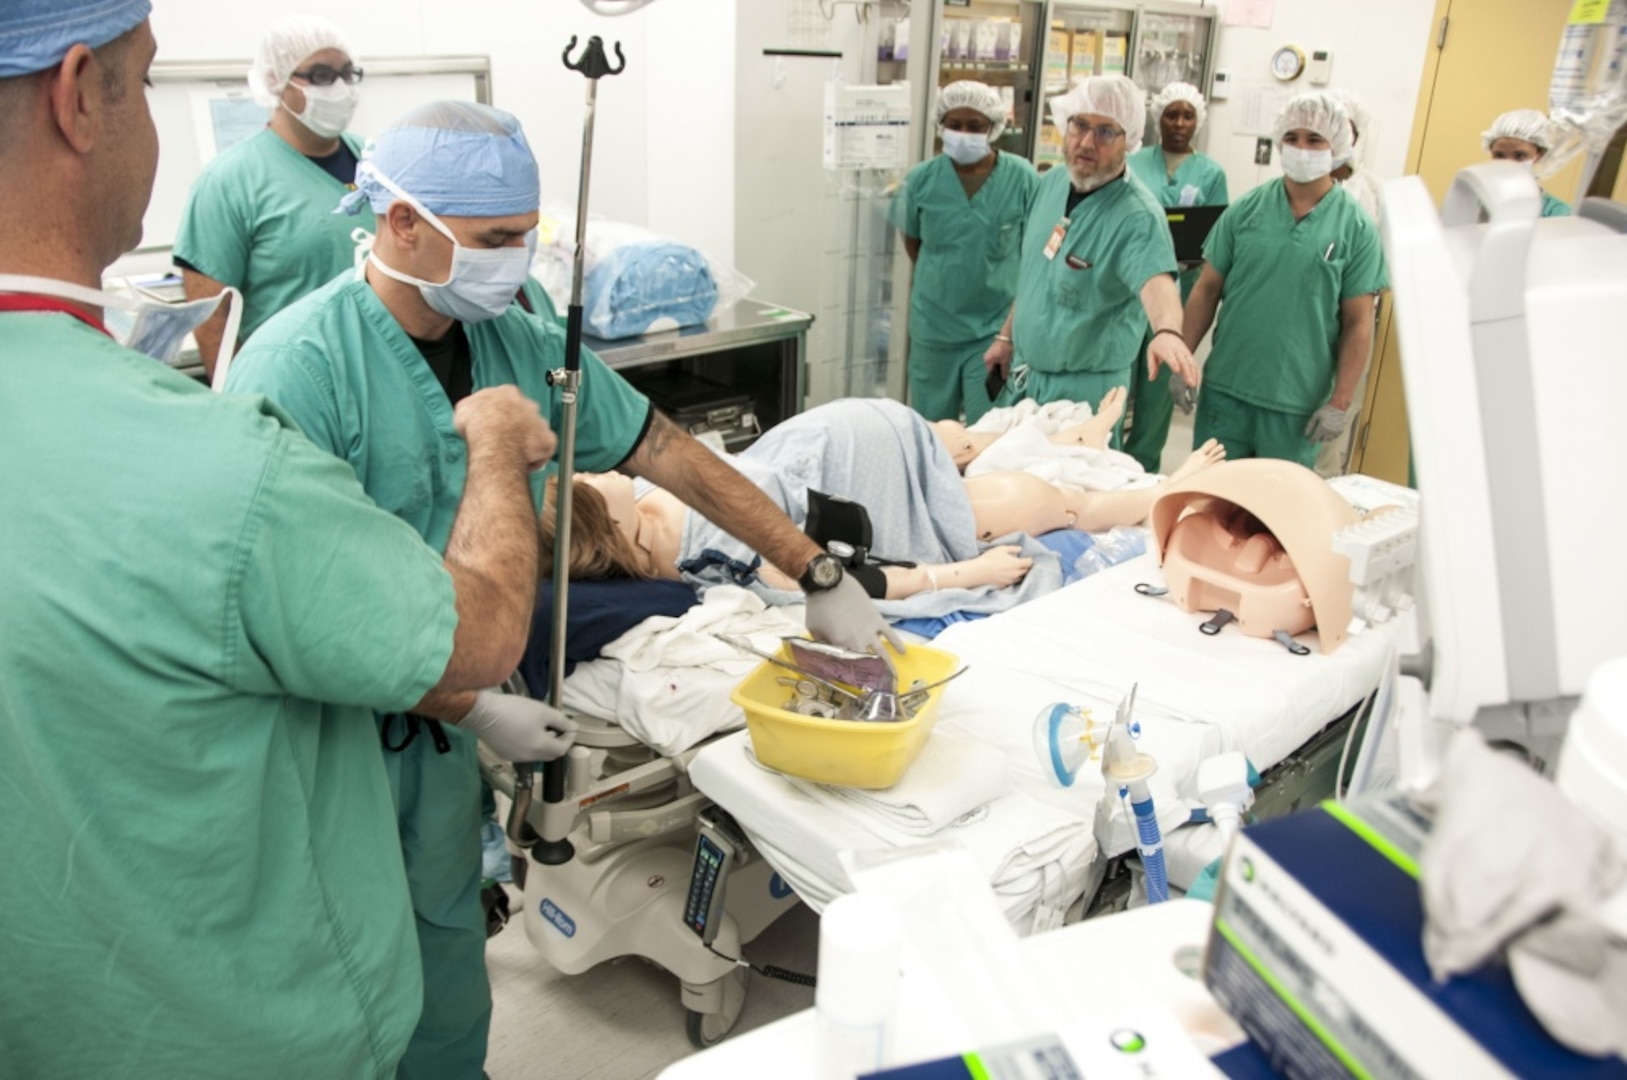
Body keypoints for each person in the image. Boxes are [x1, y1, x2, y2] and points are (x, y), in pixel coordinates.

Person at [225, 101, 894, 1080]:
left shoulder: (511, 332)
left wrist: (813, 569)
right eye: (494, 242)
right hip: (336, 750)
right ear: (401, 222)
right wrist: (471, 701)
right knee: (351, 990)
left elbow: (662, 448)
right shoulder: (295, 373)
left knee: (450, 969)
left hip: (437, 747)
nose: (514, 262)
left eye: (526, 240)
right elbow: (291, 619)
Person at [0, 5, 574, 1076]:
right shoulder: (228, 464)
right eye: (148, 78)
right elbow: (478, 633)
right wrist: (496, 448)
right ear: (81, 94)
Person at [546, 397, 1224, 598]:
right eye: (582, 482)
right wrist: (965, 574)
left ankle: (1070, 434)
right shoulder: (716, 557)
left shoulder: (643, 487)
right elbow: (842, 580)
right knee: (1048, 502)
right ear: (603, 524)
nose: (591, 468)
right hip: (872, 504)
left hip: (862, 444)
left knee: (956, 435)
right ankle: (1168, 489)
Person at [985, 75, 1198, 445]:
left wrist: (1166, 331)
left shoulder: (1137, 216)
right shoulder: (1051, 183)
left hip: (1085, 393)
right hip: (1027, 378)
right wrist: (1006, 335)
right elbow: (1037, 275)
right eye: (1079, 125)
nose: (1086, 142)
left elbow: (1157, 283)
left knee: (1070, 497)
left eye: (1104, 132)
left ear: (1128, 140)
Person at [1182, 92, 1389, 467]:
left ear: (1337, 147)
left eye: (1314, 140)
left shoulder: (1355, 227)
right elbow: (1206, 289)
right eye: (1292, 137)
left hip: (1298, 406)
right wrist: (1181, 360)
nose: (1301, 148)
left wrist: (1339, 402)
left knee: (1271, 516)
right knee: (1209, 504)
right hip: (1227, 391)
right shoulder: (1246, 210)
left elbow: (1358, 323)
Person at [173, 15, 367, 377]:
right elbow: (213, 316)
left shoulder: (374, 161)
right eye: (322, 75)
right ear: (275, 81)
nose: (339, 88)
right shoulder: (229, 181)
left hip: (376, 374)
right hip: (290, 382)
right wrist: (242, 408)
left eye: (347, 73)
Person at [890, 81, 1037, 423]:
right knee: (931, 430)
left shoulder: (1022, 178)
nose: (963, 133)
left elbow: (1034, 249)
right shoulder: (921, 180)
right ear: (940, 125)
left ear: (994, 128)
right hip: (934, 329)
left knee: (989, 429)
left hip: (994, 331)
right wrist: (946, 275)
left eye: (975, 126)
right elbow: (914, 242)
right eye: (955, 125)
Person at [1123, 81, 1228, 473]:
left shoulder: (1210, 173)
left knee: (1156, 389)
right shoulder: (1134, 163)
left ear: (1197, 121)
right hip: (1130, 287)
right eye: (1171, 114)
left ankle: (1143, 468)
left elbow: (1217, 235)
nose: (1179, 123)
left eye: (1187, 115)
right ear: (1158, 118)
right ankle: (1107, 460)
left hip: (1181, 288)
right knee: (1119, 377)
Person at [1484, 108, 1573, 217]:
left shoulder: (1558, 214)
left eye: (1519, 156)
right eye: (1499, 155)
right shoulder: (1477, 204)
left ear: (1540, 155)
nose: (1508, 164)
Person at [1328, 88, 1382, 226]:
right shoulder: (1298, 184)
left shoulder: (1365, 190)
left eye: (1342, 129)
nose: (1334, 135)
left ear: (1354, 138)